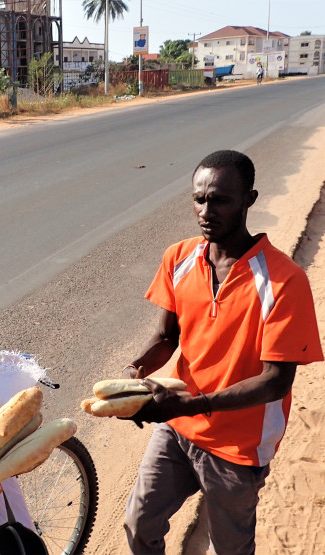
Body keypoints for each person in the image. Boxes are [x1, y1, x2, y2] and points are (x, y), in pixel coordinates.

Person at [121, 150, 323, 554]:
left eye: (220, 200)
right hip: (178, 430)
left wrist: (187, 405)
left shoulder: (284, 281)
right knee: (139, 524)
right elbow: (166, 338)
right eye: (199, 199)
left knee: (229, 547)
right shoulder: (179, 258)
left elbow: (275, 381)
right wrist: (133, 372)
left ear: (250, 198)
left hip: (239, 446)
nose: (206, 211)